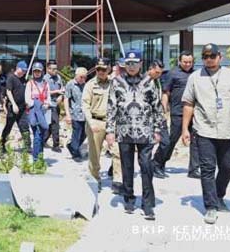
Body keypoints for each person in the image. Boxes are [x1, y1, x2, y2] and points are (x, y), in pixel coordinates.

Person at [181, 43, 230, 224]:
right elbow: (188, 104)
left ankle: (219, 195)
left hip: (228, 130)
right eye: (205, 57)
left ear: (220, 56)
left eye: (212, 56)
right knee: (207, 169)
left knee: (227, 166)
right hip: (204, 130)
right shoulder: (195, 78)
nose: (209, 60)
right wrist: (184, 129)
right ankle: (211, 206)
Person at [106, 50, 163, 220]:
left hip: (145, 131)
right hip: (124, 131)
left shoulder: (149, 82)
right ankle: (129, 198)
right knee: (127, 167)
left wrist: (158, 129)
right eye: (128, 64)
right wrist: (110, 130)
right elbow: (111, 107)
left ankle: (147, 204)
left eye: (135, 63)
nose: (131, 67)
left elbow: (157, 107)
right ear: (125, 64)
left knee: (146, 167)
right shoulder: (116, 82)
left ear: (140, 64)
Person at [153, 51, 200, 179]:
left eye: (190, 62)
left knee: (195, 141)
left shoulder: (196, 74)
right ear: (179, 61)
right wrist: (163, 110)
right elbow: (166, 93)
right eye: (185, 62)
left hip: (194, 113)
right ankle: (158, 163)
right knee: (171, 141)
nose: (187, 64)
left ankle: (194, 169)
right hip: (178, 113)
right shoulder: (172, 74)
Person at [82, 57, 122, 193]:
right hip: (96, 122)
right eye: (98, 69)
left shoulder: (115, 84)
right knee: (95, 155)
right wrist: (90, 121)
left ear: (109, 69)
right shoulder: (90, 85)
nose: (101, 72)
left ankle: (118, 180)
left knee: (117, 152)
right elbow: (85, 105)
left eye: (103, 69)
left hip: (112, 123)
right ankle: (95, 179)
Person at [0, 61, 30, 152]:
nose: (24, 72)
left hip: (22, 107)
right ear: (17, 68)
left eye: (25, 71)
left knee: (24, 126)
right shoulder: (11, 77)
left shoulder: (24, 79)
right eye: (22, 70)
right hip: (13, 107)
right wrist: (13, 104)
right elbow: (8, 91)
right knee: (8, 126)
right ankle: (2, 144)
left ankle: (28, 145)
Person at [25, 62, 51, 161]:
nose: (37, 73)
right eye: (35, 71)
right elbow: (27, 99)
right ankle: (36, 159)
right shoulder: (30, 83)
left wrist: (46, 104)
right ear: (32, 72)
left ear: (42, 72)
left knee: (42, 134)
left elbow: (48, 97)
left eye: (38, 71)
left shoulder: (45, 84)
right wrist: (37, 104)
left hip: (44, 112)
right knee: (37, 135)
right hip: (34, 112)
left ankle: (40, 156)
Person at [64, 67, 88, 161]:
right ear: (76, 76)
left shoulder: (85, 85)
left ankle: (71, 146)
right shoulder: (70, 84)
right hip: (75, 114)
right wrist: (67, 114)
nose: (83, 79)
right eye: (81, 77)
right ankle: (75, 153)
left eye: (85, 77)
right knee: (76, 134)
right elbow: (66, 99)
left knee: (85, 134)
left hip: (85, 115)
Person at [43, 60, 64, 153]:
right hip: (48, 104)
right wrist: (56, 92)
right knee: (54, 124)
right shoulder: (44, 79)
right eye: (53, 69)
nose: (56, 70)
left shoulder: (58, 77)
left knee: (51, 124)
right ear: (48, 69)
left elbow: (62, 89)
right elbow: (43, 92)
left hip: (57, 104)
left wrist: (61, 95)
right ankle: (56, 145)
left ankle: (42, 141)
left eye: (56, 68)